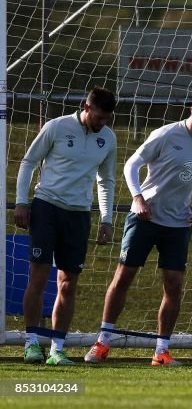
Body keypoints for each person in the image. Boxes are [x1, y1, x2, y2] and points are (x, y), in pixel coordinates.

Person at [84, 89, 192, 366]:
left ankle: (161, 351)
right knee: (124, 277)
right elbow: (131, 166)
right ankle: (102, 342)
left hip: (178, 223)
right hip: (144, 218)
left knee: (174, 285)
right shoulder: (165, 134)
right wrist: (138, 198)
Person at [16, 87, 118, 365]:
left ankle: (56, 349)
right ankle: (31, 343)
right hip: (46, 208)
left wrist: (107, 218)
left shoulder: (108, 138)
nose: (102, 123)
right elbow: (28, 162)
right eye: (98, 117)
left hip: (78, 216)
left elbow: (106, 181)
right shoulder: (57, 127)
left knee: (69, 283)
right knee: (38, 276)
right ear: (86, 107)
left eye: (106, 118)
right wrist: (21, 202)